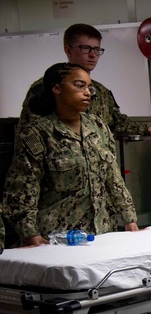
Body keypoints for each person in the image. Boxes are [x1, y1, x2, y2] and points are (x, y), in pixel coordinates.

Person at [3, 62, 139, 246]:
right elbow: (21, 191)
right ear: (57, 88)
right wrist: (30, 235)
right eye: (79, 85)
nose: (87, 92)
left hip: (102, 234)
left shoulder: (97, 126)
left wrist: (129, 220)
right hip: (58, 239)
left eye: (89, 87)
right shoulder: (38, 133)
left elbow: (113, 178)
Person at [18, 23, 151, 139]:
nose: (93, 55)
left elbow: (118, 123)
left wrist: (149, 128)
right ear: (68, 50)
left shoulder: (100, 91)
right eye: (85, 48)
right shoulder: (47, 87)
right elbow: (28, 134)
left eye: (97, 49)